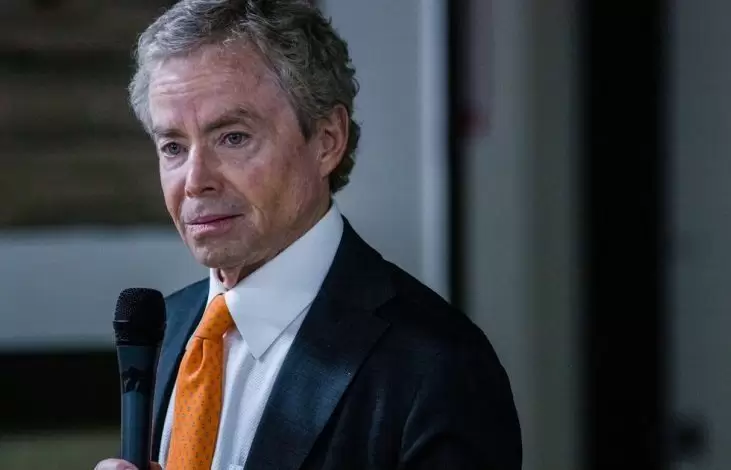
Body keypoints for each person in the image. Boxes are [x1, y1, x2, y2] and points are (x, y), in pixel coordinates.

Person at [96, 1, 522, 469]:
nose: (195, 181)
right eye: (173, 147)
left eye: (233, 137)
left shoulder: (439, 366)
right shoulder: (167, 326)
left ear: (327, 140)